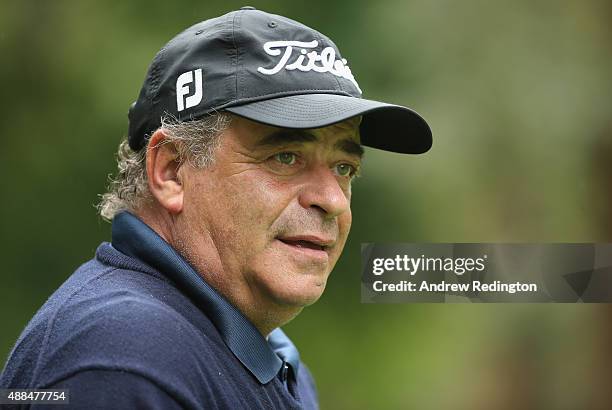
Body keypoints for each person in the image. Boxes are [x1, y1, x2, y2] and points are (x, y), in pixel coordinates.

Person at [0, 7, 431, 409]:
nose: (332, 200)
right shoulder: (125, 359)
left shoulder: (268, 356)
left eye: (344, 167)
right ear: (171, 170)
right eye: (285, 157)